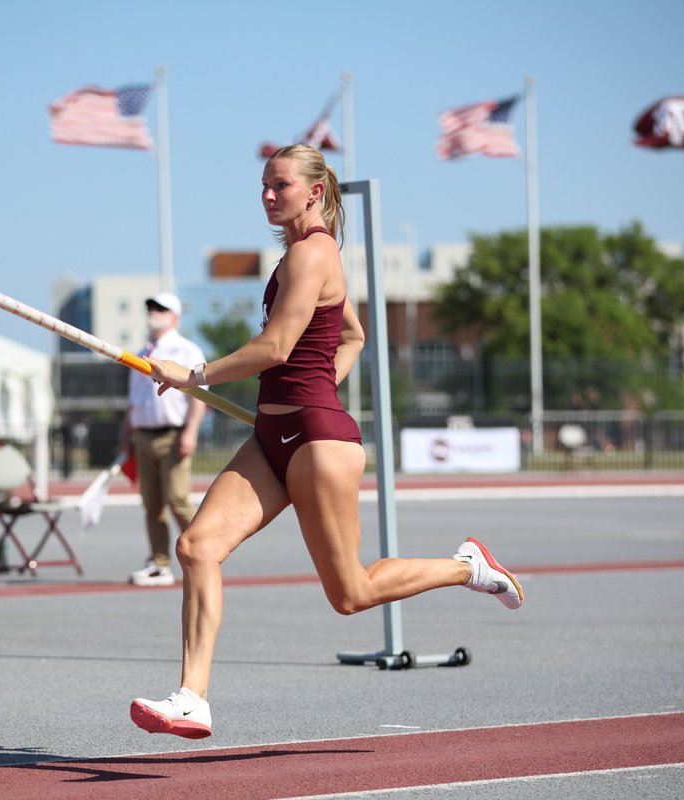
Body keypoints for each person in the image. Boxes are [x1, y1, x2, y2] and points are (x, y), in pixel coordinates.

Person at [129, 144, 524, 739]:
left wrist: (195, 376)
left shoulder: (314, 253)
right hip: (273, 435)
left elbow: (276, 348)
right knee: (196, 548)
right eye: (263, 185)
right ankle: (192, 697)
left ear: (314, 191)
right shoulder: (295, 256)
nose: (267, 194)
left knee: (351, 594)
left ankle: (465, 566)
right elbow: (354, 335)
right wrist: (311, 382)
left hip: (317, 439)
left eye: (279, 185)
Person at [119, 291, 208, 587]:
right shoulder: (142, 350)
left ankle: (204, 549)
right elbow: (135, 401)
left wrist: (191, 431)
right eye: (151, 307)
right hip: (144, 435)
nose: (153, 312)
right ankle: (159, 563)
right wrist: (126, 435)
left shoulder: (186, 350)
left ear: (175, 317)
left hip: (173, 434)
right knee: (152, 503)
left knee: (177, 498)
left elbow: (200, 395)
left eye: (161, 308)